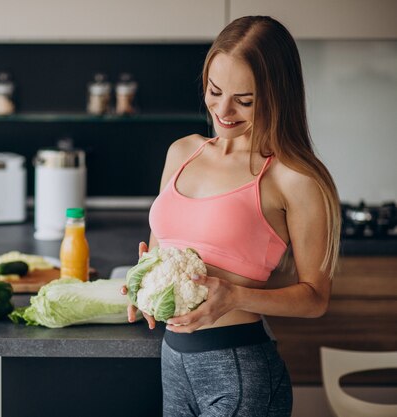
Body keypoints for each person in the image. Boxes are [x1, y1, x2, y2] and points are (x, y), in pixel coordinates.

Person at [122, 15, 341, 417]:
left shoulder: (294, 179)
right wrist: (146, 280)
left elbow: (316, 299)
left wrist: (235, 296)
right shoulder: (182, 152)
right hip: (173, 360)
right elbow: (161, 250)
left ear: (278, 97)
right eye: (214, 90)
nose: (224, 111)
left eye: (245, 99)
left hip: (239, 371)